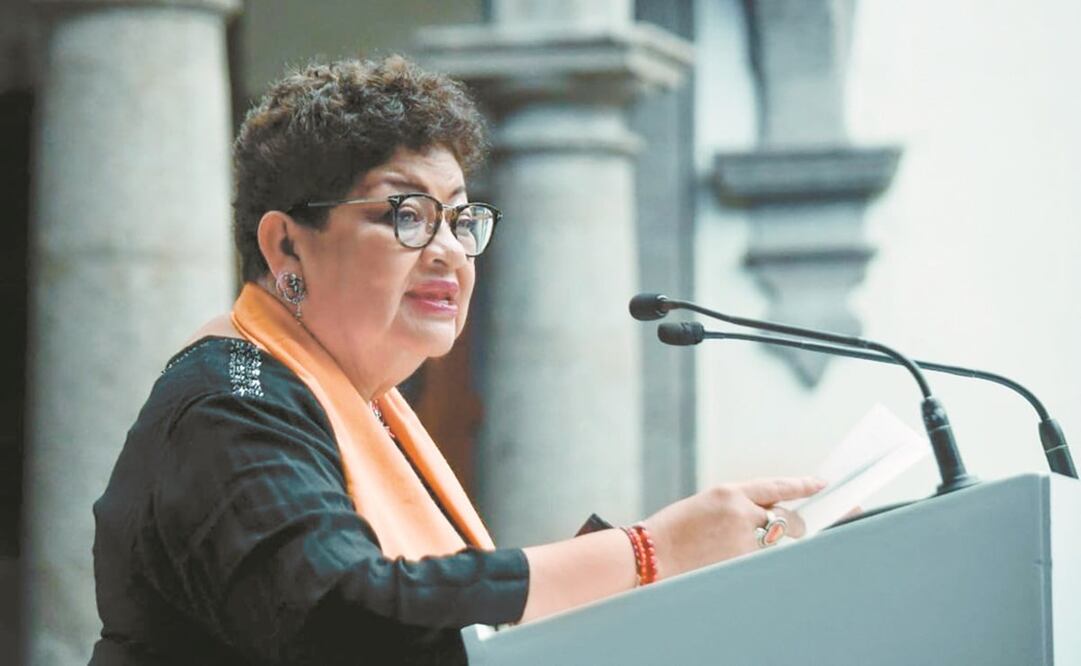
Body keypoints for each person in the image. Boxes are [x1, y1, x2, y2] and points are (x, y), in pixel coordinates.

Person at [90, 55, 824, 665]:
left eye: (461, 218)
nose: (446, 250)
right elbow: (346, 617)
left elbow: (450, 631)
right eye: (406, 215)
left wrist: (666, 575)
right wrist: (646, 550)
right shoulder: (233, 398)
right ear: (286, 246)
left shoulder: (369, 405)